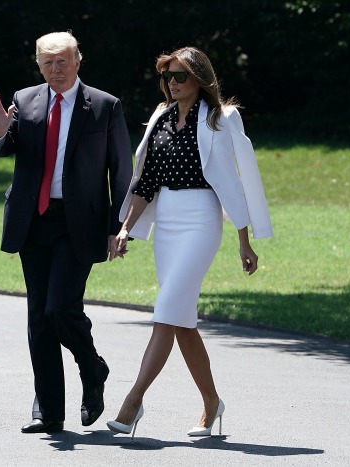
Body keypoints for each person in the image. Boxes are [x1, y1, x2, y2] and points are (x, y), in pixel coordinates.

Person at [105, 47, 273, 438]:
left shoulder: (221, 119)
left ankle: (132, 402)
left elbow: (235, 182)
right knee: (180, 319)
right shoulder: (160, 118)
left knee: (167, 310)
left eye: (181, 76)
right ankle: (212, 402)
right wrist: (126, 226)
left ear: (200, 78)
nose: (173, 83)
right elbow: (144, 182)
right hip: (167, 220)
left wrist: (243, 241)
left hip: (201, 217)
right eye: (168, 77)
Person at [0, 31, 132, 434]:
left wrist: (120, 227)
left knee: (59, 308)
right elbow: (6, 145)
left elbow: (122, 171)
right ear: (38, 64)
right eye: (47, 63)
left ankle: (91, 367)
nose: (55, 69)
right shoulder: (26, 99)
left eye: (63, 61)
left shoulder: (104, 106)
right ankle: (48, 411)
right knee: (39, 318)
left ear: (78, 61)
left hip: (78, 223)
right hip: (33, 220)